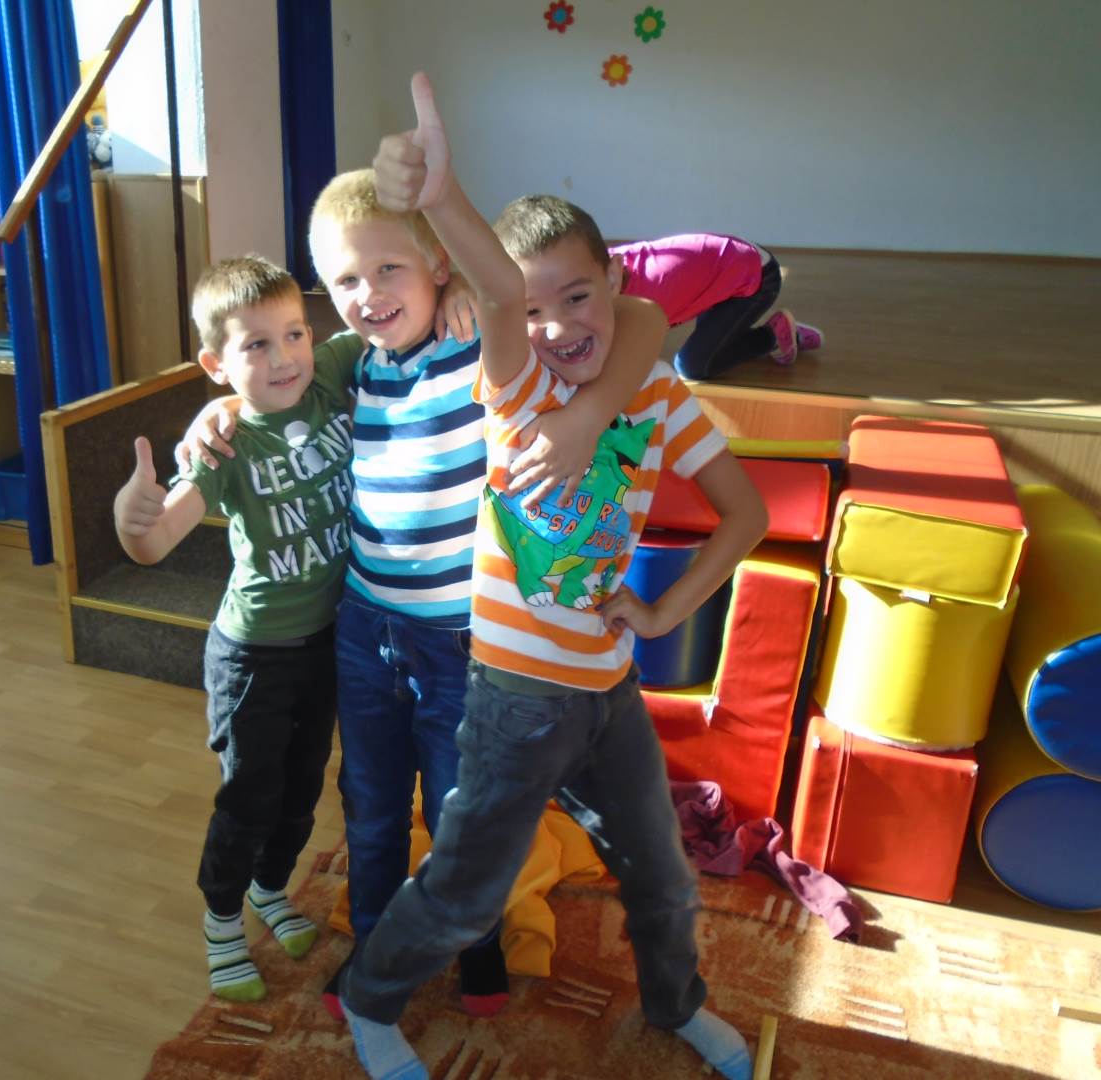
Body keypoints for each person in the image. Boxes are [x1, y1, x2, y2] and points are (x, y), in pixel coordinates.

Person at [335, 74, 769, 1080]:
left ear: (613, 281)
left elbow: (744, 514)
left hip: (609, 692)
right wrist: (442, 195)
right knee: (467, 893)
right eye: (532, 309)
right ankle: (369, 998)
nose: (556, 324)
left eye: (577, 296)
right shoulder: (517, 387)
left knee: (664, 879)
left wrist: (662, 608)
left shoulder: (654, 391)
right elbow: (497, 293)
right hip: (515, 701)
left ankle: (676, 1006)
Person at [178, 153, 657, 1022]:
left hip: (460, 639)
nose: (368, 295)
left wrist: (474, 287)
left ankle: (474, 948)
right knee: (369, 806)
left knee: (456, 807)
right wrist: (221, 410)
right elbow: (266, 382)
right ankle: (373, 948)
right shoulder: (348, 364)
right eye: (345, 281)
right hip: (365, 630)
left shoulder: (480, 341)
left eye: (388, 268)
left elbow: (646, 315)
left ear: (437, 264)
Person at [113, 255, 363, 1003]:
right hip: (253, 656)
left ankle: (268, 887)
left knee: (302, 787)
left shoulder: (329, 378)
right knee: (251, 794)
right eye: (257, 344)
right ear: (216, 365)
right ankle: (222, 917)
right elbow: (157, 541)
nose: (285, 356)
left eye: (295, 333)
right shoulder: (224, 446)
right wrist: (133, 519)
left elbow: (391, 317)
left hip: (326, 644)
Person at [609, 231, 824, 378]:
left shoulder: (641, 300)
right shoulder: (608, 265)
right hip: (733, 265)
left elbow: (631, 360)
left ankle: (771, 337)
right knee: (711, 344)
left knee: (692, 366)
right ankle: (784, 332)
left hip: (759, 276)